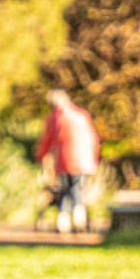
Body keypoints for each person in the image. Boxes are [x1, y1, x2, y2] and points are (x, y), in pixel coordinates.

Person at [35, 89, 101, 234]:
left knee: (64, 191)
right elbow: (93, 140)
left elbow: (46, 141)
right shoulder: (82, 115)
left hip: (64, 161)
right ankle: (79, 219)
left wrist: (40, 158)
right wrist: (93, 160)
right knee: (77, 190)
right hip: (84, 161)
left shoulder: (55, 119)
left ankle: (63, 222)